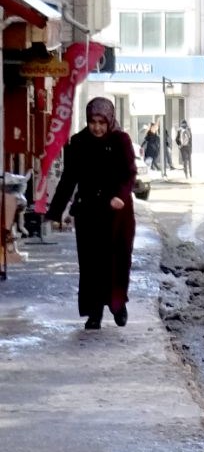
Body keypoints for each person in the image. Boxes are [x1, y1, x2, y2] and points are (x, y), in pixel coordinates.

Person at [44, 97, 137, 330]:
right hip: (88, 212)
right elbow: (68, 179)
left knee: (117, 260)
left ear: (109, 120)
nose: (97, 127)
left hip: (118, 213)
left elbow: (129, 174)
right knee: (91, 264)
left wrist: (121, 196)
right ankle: (94, 313)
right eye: (92, 122)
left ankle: (117, 304)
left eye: (101, 122)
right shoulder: (78, 142)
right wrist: (55, 211)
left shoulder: (121, 140)